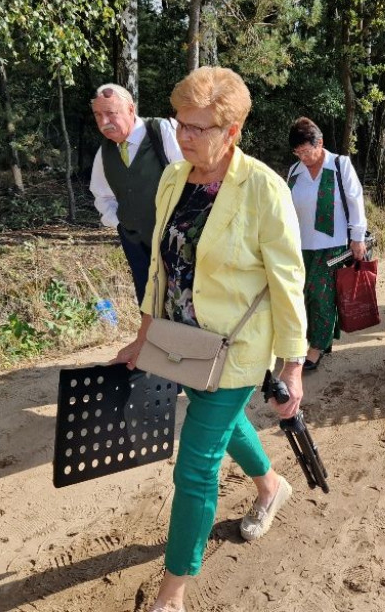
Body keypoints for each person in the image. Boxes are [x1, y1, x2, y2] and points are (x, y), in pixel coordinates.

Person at [112, 67, 308, 612]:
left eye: (200, 127)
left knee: (196, 464)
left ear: (234, 128)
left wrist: (292, 366)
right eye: (181, 123)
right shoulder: (174, 178)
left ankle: (172, 595)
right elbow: (160, 265)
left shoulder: (262, 188)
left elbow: (287, 282)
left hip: (235, 349)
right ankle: (271, 485)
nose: (185, 135)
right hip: (181, 341)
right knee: (216, 418)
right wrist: (143, 334)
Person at [89, 84, 183, 304]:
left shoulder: (162, 131)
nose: (104, 122)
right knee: (148, 302)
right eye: (98, 115)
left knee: (181, 303)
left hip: (175, 243)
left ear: (131, 110)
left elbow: (191, 178)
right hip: (136, 246)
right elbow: (102, 197)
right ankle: (151, 339)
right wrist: (121, 222)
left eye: (111, 113)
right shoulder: (104, 152)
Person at [286, 117, 368, 371]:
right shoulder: (294, 171)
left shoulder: (339, 165)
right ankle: (315, 338)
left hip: (332, 244)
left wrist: (358, 238)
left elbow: (355, 201)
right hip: (300, 243)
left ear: (319, 143)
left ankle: (316, 347)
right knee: (303, 295)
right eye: (297, 152)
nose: (302, 156)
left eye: (306, 150)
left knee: (322, 296)